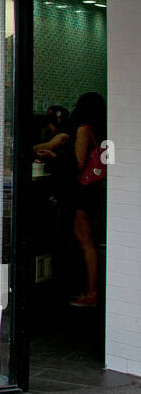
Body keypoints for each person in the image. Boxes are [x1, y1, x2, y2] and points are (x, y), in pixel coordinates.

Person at [69, 92, 107, 309]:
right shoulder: (103, 129)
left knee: (85, 242)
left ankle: (91, 291)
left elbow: (78, 162)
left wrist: (56, 156)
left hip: (82, 192)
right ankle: (93, 289)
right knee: (90, 241)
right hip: (95, 190)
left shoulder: (84, 130)